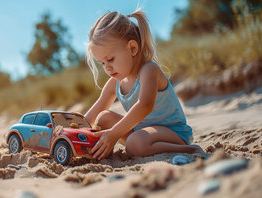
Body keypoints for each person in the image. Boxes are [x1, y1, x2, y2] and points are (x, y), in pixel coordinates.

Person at [85, 9, 204, 160]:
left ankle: (189, 148)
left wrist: (114, 133)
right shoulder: (115, 83)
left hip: (171, 133)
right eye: (102, 63)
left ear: (132, 48)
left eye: (110, 59)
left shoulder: (149, 70)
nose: (107, 68)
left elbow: (145, 106)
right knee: (103, 119)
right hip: (142, 133)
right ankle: (102, 151)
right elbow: (91, 117)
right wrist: (66, 130)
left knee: (135, 143)